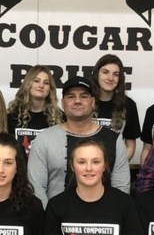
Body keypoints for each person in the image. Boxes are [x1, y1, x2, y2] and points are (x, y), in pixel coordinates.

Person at [27, 76, 131, 207]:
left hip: (103, 222)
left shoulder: (114, 140)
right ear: (63, 103)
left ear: (93, 102)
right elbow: (36, 187)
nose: (77, 101)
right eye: (71, 96)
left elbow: (121, 188)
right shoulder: (44, 139)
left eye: (83, 96)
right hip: (55, 221)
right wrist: (51, 218)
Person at [91, 54, 141, 161]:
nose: (110, 78)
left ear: (120, 78)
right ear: (96, 75)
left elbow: (130, 146)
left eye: (116, 74)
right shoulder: (85, 101)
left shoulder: (129, 105)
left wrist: (117, 167)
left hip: (115, 170)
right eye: (105, 72)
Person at [7, 65, 62, 157]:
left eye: (46, 83)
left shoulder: (60, 118)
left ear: (50, 88)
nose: (41, 85)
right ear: (28, 84)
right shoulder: (11, 117)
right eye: (36, 81)